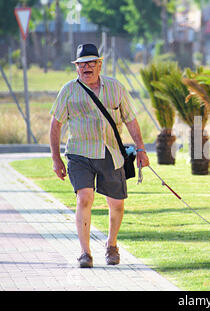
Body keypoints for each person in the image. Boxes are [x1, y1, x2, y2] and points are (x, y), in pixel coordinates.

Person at [49, 43, 149, 268]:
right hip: (79, 153)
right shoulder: (68, 91)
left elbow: (130, 119)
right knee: (84, 198)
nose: (87, 67)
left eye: (91, 62)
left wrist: (141, 149)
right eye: (82, 64)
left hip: (111, 153)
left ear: (100, 65)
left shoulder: (116, 88)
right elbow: (55, 125)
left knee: (117, 204)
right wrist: (56, 158)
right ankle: (85, 253)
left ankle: (111, 244)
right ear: (76, 68)